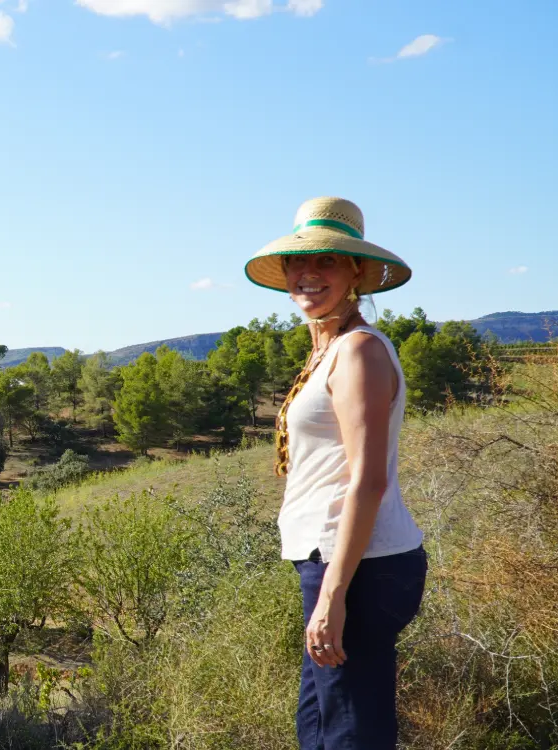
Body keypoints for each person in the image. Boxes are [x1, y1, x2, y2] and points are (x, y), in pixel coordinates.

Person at [243, 197, 428, 749]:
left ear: (355, 273)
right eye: (300, 263)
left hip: (358, 566)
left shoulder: (358, 352)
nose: (308, 274)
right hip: (336, 561)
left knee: (351, 730)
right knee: (321, 723)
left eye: (327, 261)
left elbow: (366, 480)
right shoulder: (330, 350)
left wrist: (333, 595)